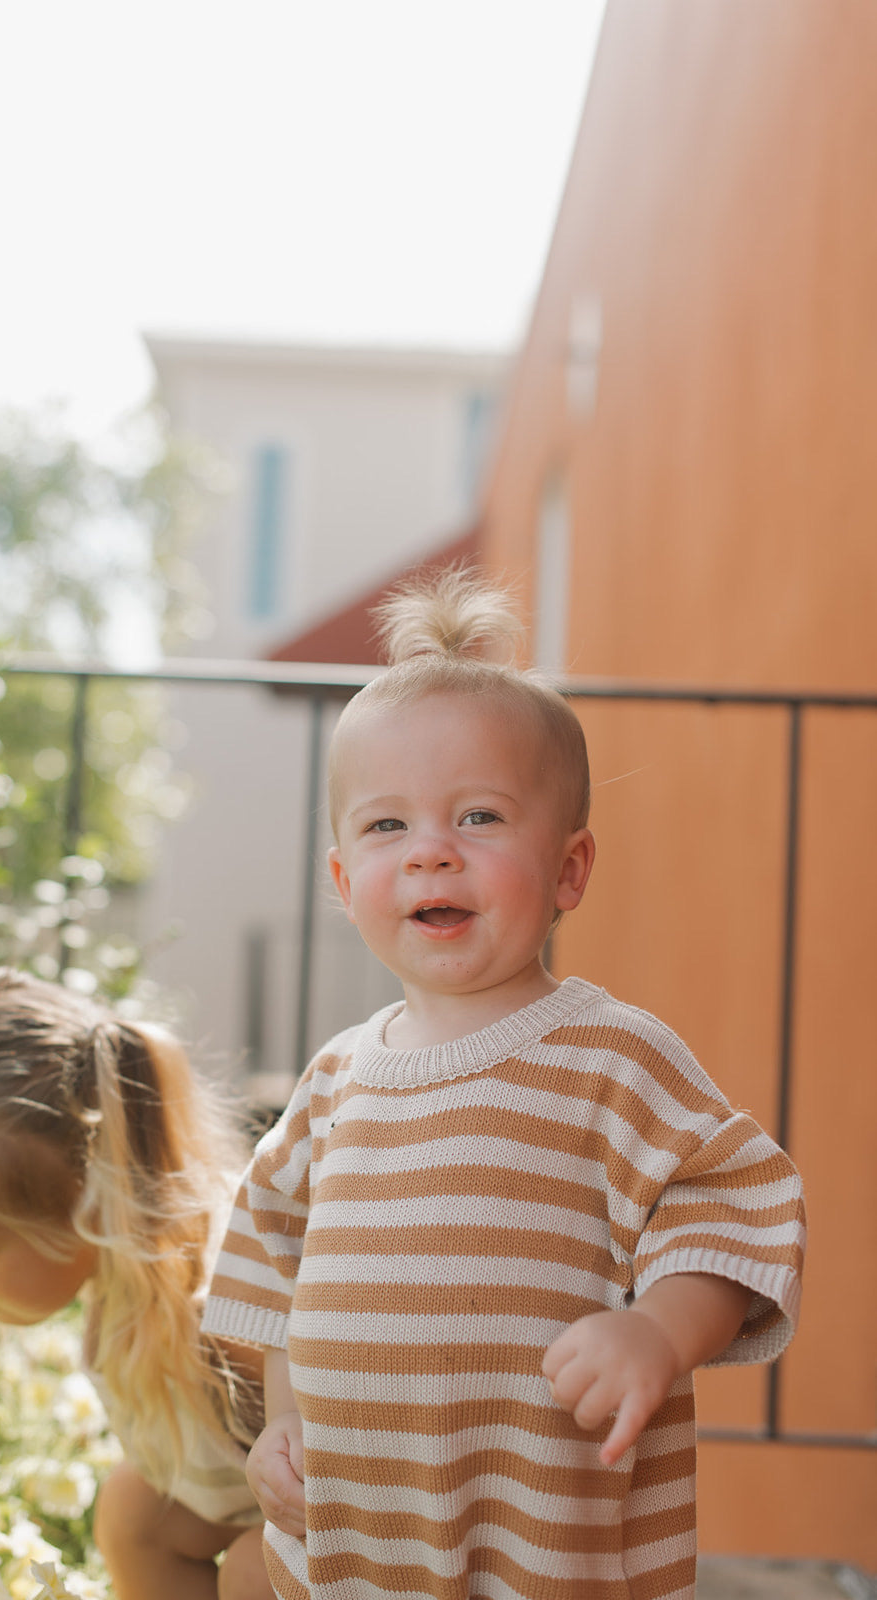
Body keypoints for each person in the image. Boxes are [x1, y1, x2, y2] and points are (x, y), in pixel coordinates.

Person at [201, 567, 807, 1600]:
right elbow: (278, 1279)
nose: (431, 853)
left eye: (478, 817)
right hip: (363, 1539)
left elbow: (729, 1210)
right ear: (345, 882)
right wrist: (285, 1424)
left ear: (569, 869)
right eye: (387, 827)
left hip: (548, 1543)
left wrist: (658, 1329)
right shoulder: (335, 1081)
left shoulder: (612, 1059)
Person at [0, 966, 274, 1600]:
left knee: (253, 1569)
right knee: (134, 1510)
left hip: (387, 1521)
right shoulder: (130, 1298)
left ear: (91, 1193)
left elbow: (383, 1468)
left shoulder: (233, 1319)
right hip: (277, 1505)